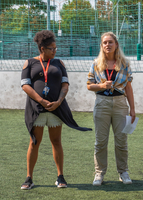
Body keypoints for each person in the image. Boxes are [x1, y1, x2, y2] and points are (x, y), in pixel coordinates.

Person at [20, 30, 91, 190]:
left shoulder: (59, 63)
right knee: (34, 142)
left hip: (56, 109)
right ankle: (29, 178)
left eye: (55, 47)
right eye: (52, 48)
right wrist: (42, 101)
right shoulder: (30, 63)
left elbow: (65, 85)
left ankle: (60, 177)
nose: (55, 50)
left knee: (56, 141)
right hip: (37, 109)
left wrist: (58, 101)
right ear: (42, 48)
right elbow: (25, 85)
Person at [87, 32, 135, 186]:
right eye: (105, 42)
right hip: (102, 103)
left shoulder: (125, 64)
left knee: (121, 141)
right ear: (102, 46)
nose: (108, 45)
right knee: (100, 141)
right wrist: (101, 86)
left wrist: (132, 109)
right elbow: (89, 85)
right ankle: (99, 173)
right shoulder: (96, 63)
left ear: (116, 44)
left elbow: (128, 88)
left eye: (110, 42)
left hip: (121, 104)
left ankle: (123, 172)